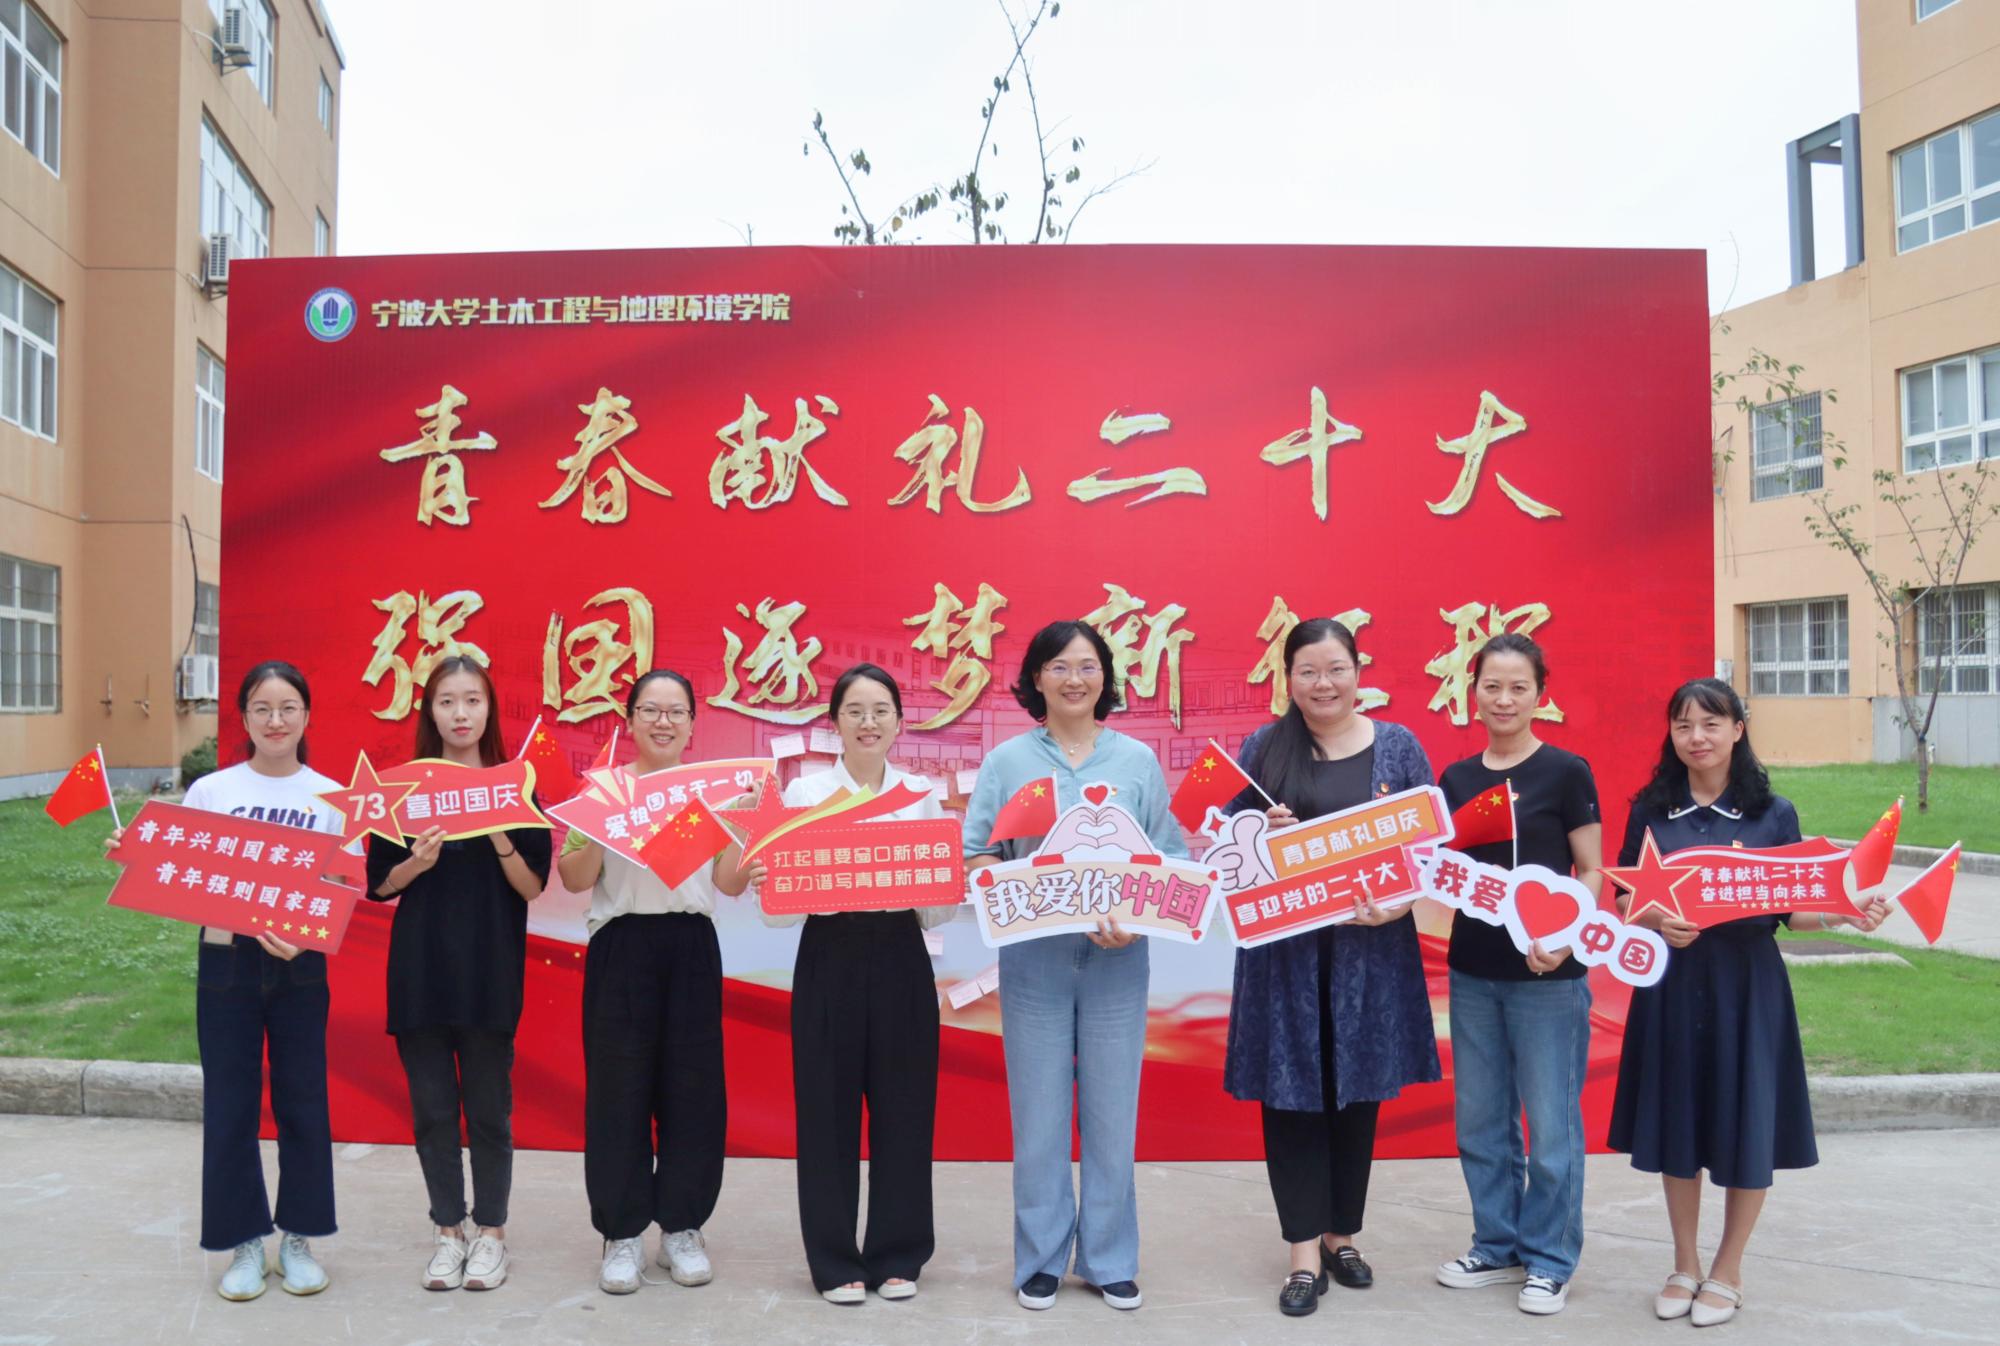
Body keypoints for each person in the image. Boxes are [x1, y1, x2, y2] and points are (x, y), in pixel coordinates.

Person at [1608, 678, 1887, 1327]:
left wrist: (1845, 913)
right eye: (1683, 725)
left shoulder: (1772, 813)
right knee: (1678, 1121)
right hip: (1673, 986)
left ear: (1738, 729)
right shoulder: (1652, 810)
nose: (1696, 737)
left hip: (1748, 988)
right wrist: (1656, 919)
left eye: (1711, 724)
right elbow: (1623, 895)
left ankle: (1728, 1269)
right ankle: (1684, 1263)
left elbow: (1795, 909)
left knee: (1747, 1121)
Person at [962, 620, 1186, 1314]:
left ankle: (1110, 1260)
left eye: (1087, 666)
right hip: (1034, 960)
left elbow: (1170, 859)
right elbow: (977, 855)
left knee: (1112, 1116)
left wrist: (1138, 918)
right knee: (1038, 1117)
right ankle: (1040, 1260)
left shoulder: (1135, 761)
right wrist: (1011, 886)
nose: (1074, 679)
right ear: (1036, 678)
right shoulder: (1007, 762)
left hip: (1120, 959)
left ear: (1105, 678)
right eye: (1058, 666)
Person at [105, 661, 344, 1301]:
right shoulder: (212, 791)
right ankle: (243, 1244)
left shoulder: (331, 797)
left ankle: (299, 1239)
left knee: (303, 1102)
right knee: (231, 1106)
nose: (276, 720)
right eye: (263, 709)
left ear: (307, 716)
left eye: (288, 708)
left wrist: (307, 936)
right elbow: (185, 875)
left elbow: (340, 888)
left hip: (299, 963)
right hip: (226, 964)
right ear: (243, 718)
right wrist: (137, 855)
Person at [1223, 617, 1441, 1318]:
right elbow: (1226, 849)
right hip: (1284, 960)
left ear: (1358, 672)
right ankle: (1302, 1253)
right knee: (1290, 1097)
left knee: (1357, 1092)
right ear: (1287, 679)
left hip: (1370, 954)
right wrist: (1259, 836)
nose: (1324, 683)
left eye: (1336, 669)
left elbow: (1429, 849)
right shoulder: (1263, 749)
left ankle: (1341, 1235)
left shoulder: (1398, 747)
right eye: (1308, 671)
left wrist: (1398, 905)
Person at [556, 669, 761, 1296]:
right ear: (630, 720)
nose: (663, 721)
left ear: (693, 724)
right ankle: (621, 1234)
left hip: (690, 945)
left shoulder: (713, 791)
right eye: (650, 709)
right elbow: (573, 877)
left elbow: (728, 883)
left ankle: (681, 1227)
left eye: (676, 711)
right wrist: (601, 825)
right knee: (617, 1091)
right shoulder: (604, 787)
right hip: (622, 945)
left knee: (692, 1090)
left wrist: (750, 826)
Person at [766, 663, 953, 1304]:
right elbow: (782, 911)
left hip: (900, 952)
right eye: (854, 711)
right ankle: (834, 1260)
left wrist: (943, 873)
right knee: (826, 1110)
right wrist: (773, 878)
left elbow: (937, 911)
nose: (868, 722)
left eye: (880, 711)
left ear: (899, 721)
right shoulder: (805, 793)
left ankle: (899, 1254)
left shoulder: (920, 793)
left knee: (905, 1108)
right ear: (835, 723)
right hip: (829, 953)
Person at [365, 656, 552, 1291]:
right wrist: (416, 864)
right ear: (431, 713)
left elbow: (531, 887)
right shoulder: (403, 791)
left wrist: (498, 833)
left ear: (489, 709)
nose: (461, 713)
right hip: (421, 975)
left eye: (473, 699)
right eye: (447, 701)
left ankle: (491, 1233)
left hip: (489, 976)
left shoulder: (516, 790)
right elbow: (380, 885)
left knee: (490, 1112)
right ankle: (448, 1232)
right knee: (433, 1112)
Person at [1433, 633, 1602, 1316]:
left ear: (1540, 695)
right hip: (1473, 973)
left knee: (1552, 1128)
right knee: (1481, 1122)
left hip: (1548, 979)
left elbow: (1591, 869)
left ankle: (1551, 1259)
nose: (1503, 699)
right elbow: (1437, 871)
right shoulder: (1454, 780)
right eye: (1492, 686)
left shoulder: (1565, 772)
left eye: (1518, 687)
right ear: (1472, 693)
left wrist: (1565, 938)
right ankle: (1496, 1245)